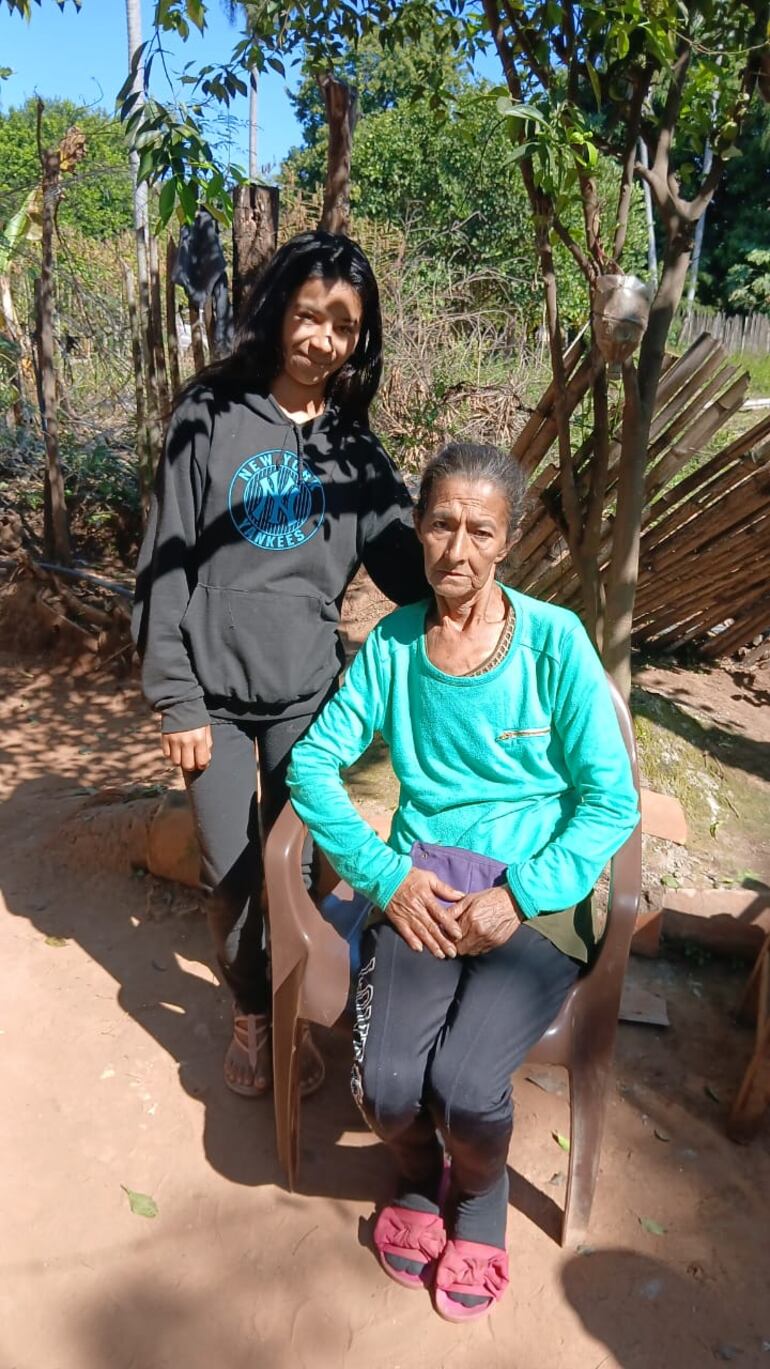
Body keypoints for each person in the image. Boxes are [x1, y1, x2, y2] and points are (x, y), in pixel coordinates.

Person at [287, 441, 639, 1321]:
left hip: (535, 893)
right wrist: (387, 877)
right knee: (386, 1085)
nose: (458, 548)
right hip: (424, 886)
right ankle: (418, 1173)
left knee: (468, 1084)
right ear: (417, 527)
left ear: (508, 541)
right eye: (442, 523)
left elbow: (610, 801)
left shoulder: (554, 643)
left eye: (481, 530)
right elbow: (313, 765)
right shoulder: (395, 644)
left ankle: (480, 1198)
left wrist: (518, 895)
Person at [132, 230, 427, 1100]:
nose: (323, 338)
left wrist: (465, 557)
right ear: (278, 311)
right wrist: (176, 698)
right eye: (309, 314)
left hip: (308, 700)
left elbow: (406, 569)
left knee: (293, 868)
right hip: (214, 702)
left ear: (359, 338)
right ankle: (252, 1013)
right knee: (229, 874)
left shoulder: (353, 452)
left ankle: (294, 1008)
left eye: (344, 325)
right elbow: (165, 560)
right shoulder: (210, 414)